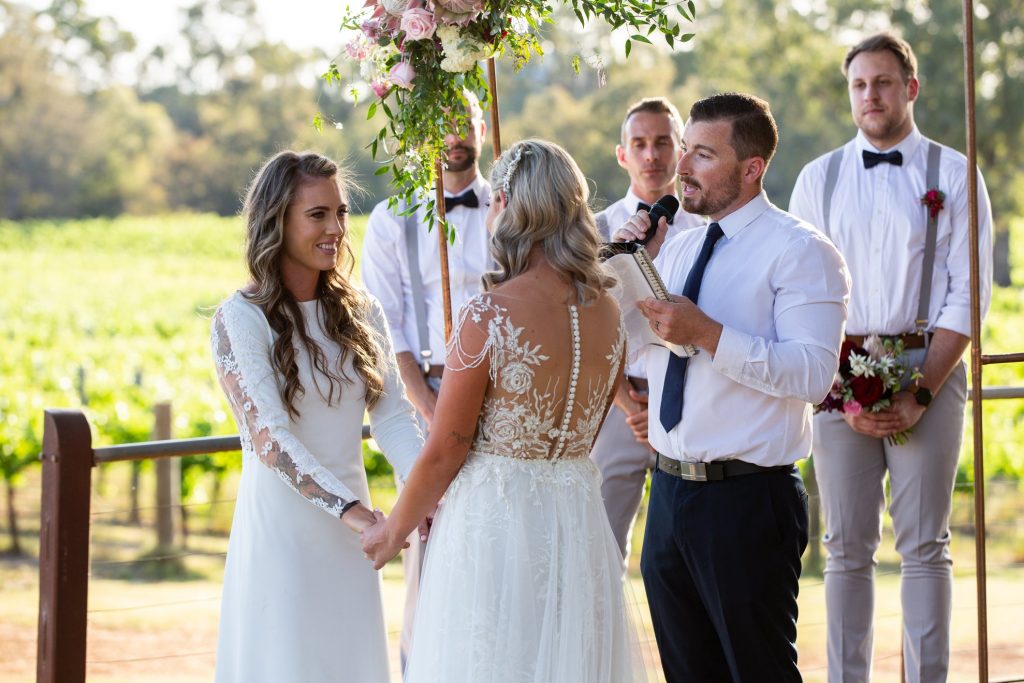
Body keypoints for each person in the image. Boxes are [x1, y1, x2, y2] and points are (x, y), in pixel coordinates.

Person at [363, 139, 650, 682]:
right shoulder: (608, 311)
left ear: (516, 209)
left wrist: (393, 530)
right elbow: (581, 431)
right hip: (576, 520)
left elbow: (448, 446)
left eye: (498, 200)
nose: (491, 209)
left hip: (495, 528)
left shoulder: (487, 313)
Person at [615, 92, 851, 682]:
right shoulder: (680, 244)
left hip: (747, 502)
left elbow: (813, 374)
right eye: (685, 151)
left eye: (702, 154)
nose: (682, 168)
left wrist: (711, 333)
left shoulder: (802, 252)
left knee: (759, 673)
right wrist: (622, 264)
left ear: (751, 169)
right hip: (668, 495)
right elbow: (630, 345)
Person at [788, 33, 993, 683]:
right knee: (845, 548)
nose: (869, 95)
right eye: (858, 85)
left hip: (928, 365)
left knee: (926, 545)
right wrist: (844, 392)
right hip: (837, 376)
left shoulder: (955, 174)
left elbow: (970, 289)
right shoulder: (818, 178)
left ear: (911, 87)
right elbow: (799, 290)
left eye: (882, 82)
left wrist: (922, 388)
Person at [211, 151, 423, 682]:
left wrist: (423, 500)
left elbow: (395, 418)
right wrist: (359, 517)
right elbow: (272, 443)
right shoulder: (240, 318)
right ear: (276, 220)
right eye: (317, 215)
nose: (336, 229)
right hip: (286, 537)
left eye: (341, 213)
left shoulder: (361, 310)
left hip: (356, 543)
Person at [360, 92, 492, 668]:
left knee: (493, 533)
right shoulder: (391, 219)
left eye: (465, 121)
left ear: (484, 127)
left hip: (503, 395)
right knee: (429, 535)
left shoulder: (510, 212)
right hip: (425, 396)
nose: (455, 134)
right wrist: (434, 410)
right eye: (442, 124)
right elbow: (386, 332)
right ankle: (427, 668)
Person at [591, 96, 703, 564]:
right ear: (623, 154)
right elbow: (586, 326)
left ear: (681, 149)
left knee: (687, 551)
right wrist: (627, 402)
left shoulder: (707, 227)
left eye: (662, 143)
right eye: (639, 144)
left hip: (692, 399)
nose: (651, 155)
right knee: (601, 547)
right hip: (618, 405)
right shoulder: (594, 230)